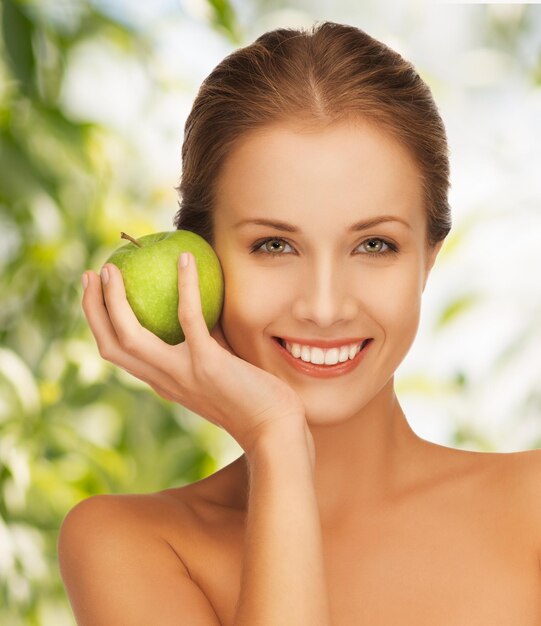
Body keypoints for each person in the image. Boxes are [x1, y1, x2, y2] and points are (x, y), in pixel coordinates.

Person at [58, 20, 541, 625]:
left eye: (373, 246)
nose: (324, 305)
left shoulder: (533, 508)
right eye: (274, 246)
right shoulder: (130, 544)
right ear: (199, 259)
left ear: (427, 259)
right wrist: (277, 442)